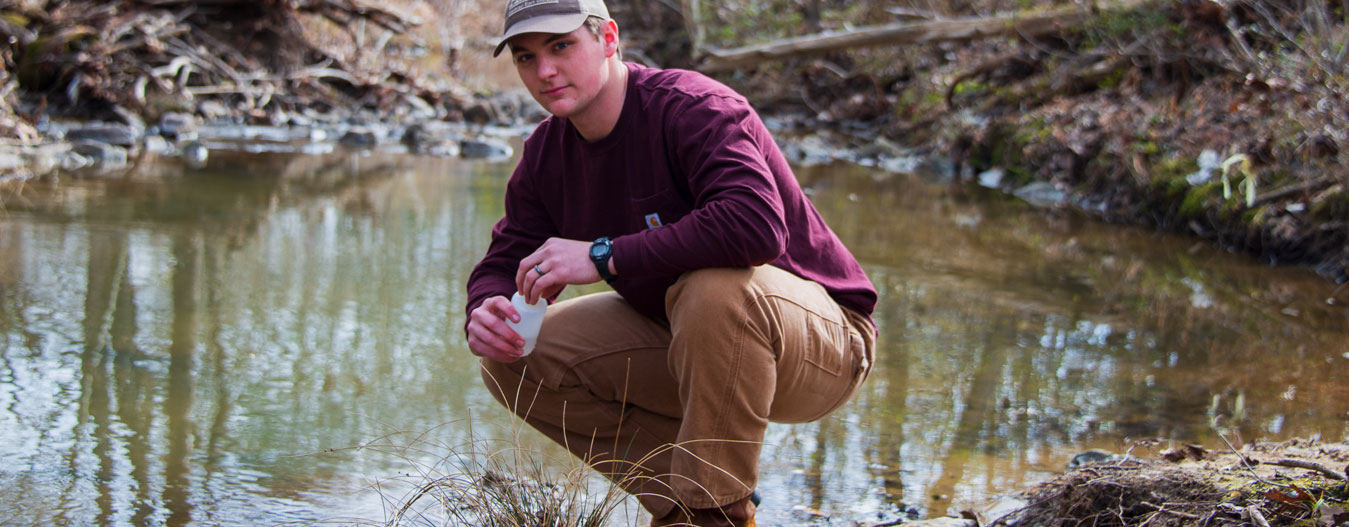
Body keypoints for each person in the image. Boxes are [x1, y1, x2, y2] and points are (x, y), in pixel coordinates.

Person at [463, 0, 879, 524]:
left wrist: (602, 255)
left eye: (561, 46)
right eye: (525, 57)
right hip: (687, 338)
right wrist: (485, 308)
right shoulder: (547, 153)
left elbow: (756, 226)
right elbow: (506, 256)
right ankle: (690, 505)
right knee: (515, 359)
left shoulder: (691, 106)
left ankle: (713, 511)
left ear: (609, 38)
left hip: (821, 346)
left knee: (713, 289)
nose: (544, 71)